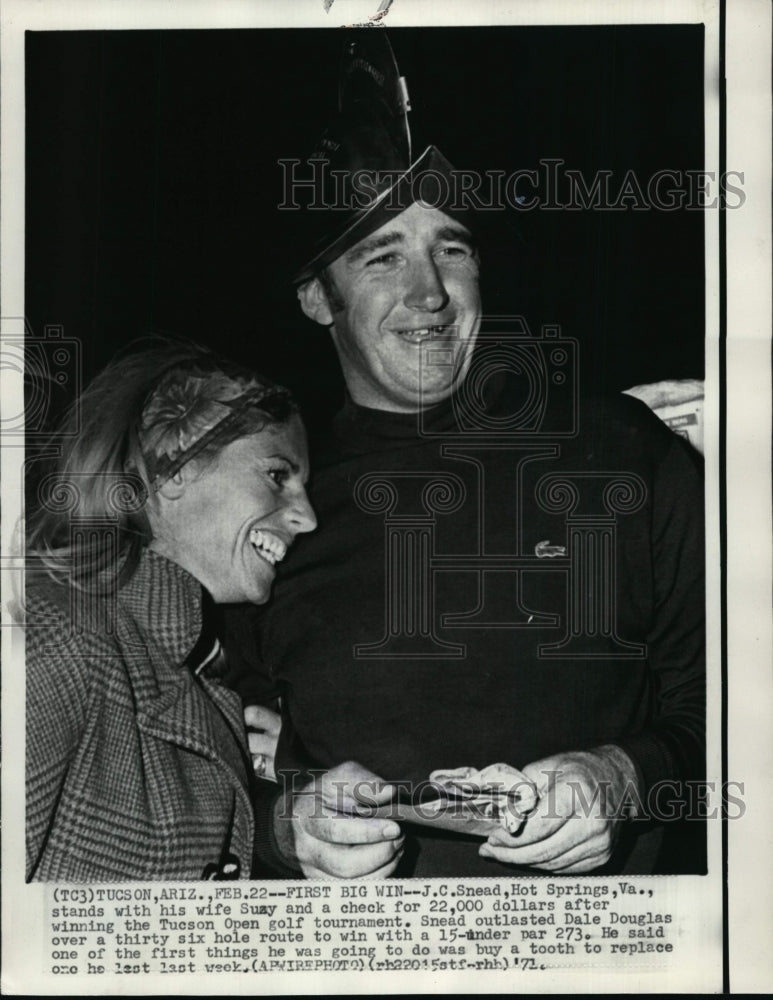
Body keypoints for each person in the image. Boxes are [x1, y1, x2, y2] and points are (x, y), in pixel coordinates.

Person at [226, 35, 705, 878]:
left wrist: (623, 777)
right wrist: (285, 827)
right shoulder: (266, 498)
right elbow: (199, 759)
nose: (430, 295)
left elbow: (734, 706)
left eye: (451, 248)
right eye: (384, 257)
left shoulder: (623, 453)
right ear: (315, 298)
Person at [24, 340, 403, 881]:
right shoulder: (51, 633)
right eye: (277, 475)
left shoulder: (193, 673)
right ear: (175, 468)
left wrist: (288, 828)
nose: (307, 518)